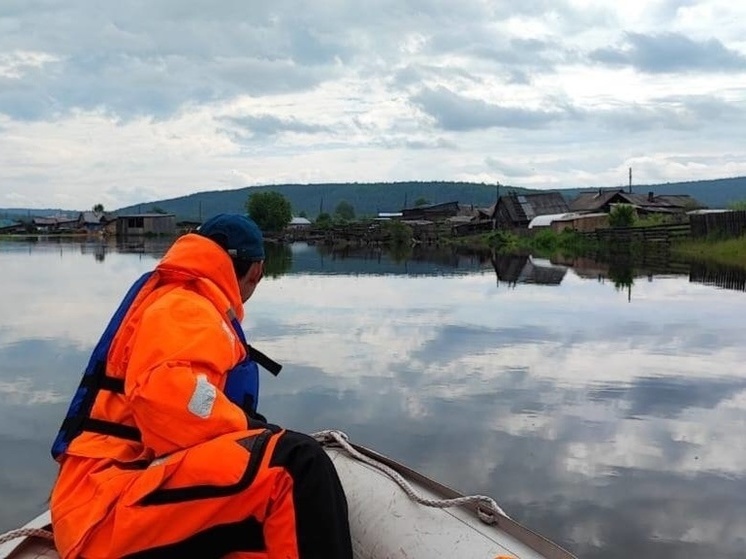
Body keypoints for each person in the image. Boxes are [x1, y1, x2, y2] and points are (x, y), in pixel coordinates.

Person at [49, 214, 353, 559]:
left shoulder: (177, 298)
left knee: (272, 489)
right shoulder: (186, 307)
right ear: (257, 272)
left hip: (109, 499)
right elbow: (168, 404)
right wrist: (249, 428)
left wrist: (252, 432)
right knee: (297, 463)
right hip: (104, 512)